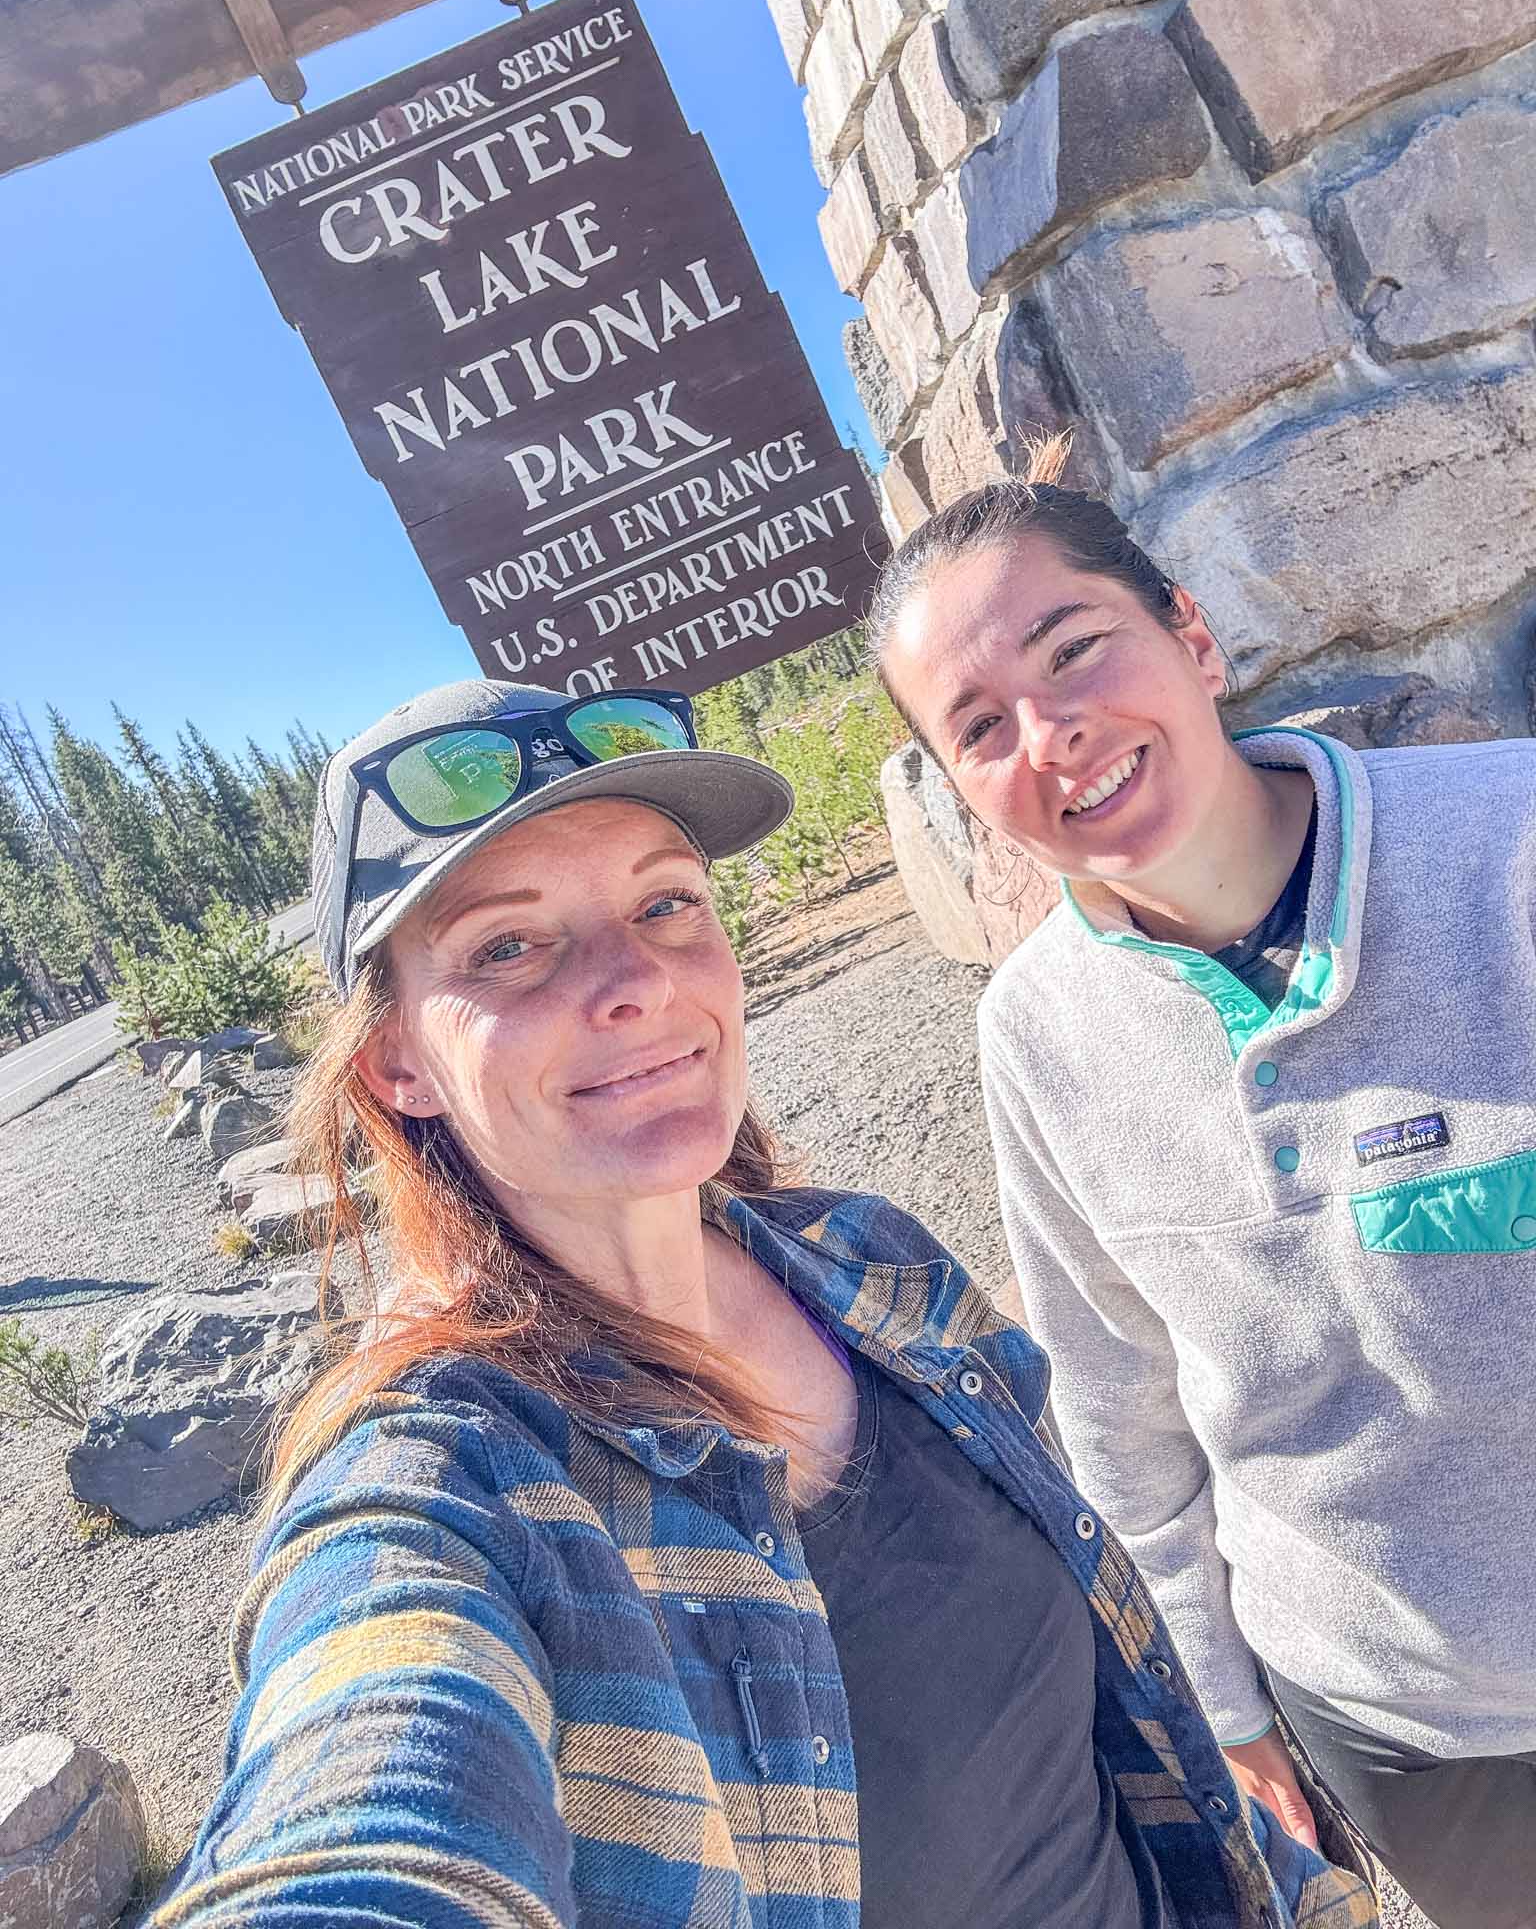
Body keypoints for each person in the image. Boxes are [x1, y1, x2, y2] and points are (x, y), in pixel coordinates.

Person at [153, 675, 1368, 1929]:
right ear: (395, 1060)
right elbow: (371, 1795)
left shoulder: (869, 1265)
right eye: (507, 945)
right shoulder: (448, 1485)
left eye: (667, 900)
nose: (637, 979)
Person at [869, 435, 1536, 1928]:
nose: (1049, 736)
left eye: (1075, 648)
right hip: (1395, 1728)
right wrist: (1221, 1709)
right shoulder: (1037, 1036)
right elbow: (1117, 1405)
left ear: (1192, 633)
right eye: (979, 726)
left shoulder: (1513, 841)